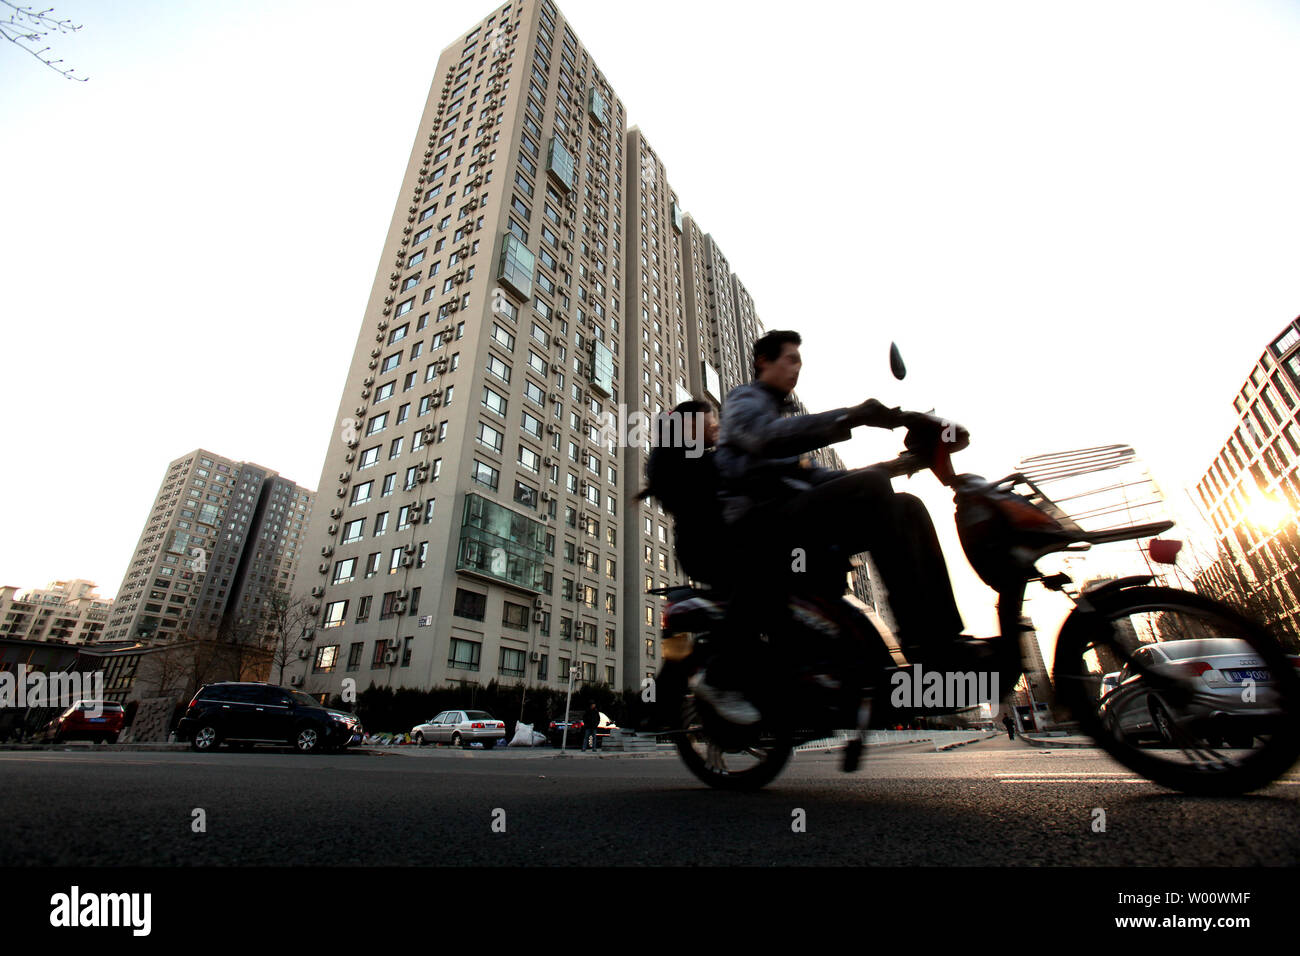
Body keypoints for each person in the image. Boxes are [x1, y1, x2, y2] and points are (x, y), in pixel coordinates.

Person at [701, 329, 1012, 724]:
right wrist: (855, 416)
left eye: (800, 362)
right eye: (791, 359)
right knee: (872, 488)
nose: (797, 368)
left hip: (794, 517)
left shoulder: (782, 419)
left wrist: (900, 465)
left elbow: (818, 479)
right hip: (759, 524)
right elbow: (760, 438)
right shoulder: (745, 401)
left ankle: (941, 641)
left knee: (907, 506)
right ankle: (919, 639)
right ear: (764, 361)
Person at [635, 400, 733, 588]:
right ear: (691, 427)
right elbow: (716, 472)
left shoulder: (684, 455)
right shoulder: (676, 459)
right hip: (708, 548)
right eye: (710, 424)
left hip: (707, 546)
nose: (715, 427)